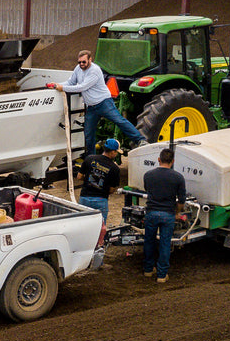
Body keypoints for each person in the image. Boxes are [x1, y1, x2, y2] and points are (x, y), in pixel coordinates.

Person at [47, 49, 147, 154]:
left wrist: (62, 87)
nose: (81, 64)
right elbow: (71, 82)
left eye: (84, 62)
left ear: (90, 60)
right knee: (88, 134)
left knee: (120, 121)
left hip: (104, 103)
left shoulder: (95, 70)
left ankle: (140, 140)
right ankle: (91, 158)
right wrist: (56, 85)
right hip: (91, 107)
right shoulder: (78, 69)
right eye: (79, 62)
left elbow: (82, 87)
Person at [142, 147, 187, 283]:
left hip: (151, 212)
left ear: (159, 160)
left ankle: (148, 270)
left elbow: (147, 189)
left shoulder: (148, 175)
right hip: (168, 214)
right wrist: (177, 212)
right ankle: (162, 275)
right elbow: (182, 200)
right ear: (172, 161)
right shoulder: (178, 177)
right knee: (165, 244)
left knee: (149, 242)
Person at [77, 138, 122, 248]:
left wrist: (90, 181)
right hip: (100, 200)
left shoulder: (89, 159)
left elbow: (79, 177)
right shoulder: (115, 168)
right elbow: (111, 189)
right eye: (116, 152)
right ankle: (97, 258)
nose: (116, 154)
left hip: (84, 198)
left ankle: (80, 251)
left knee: (81, 227)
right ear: (112, 152)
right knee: (99, 231)